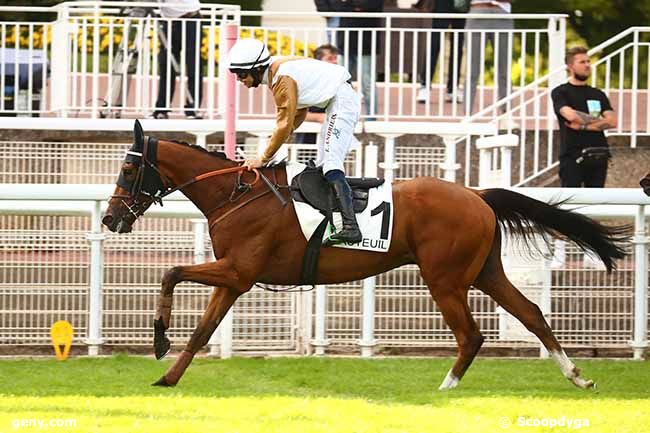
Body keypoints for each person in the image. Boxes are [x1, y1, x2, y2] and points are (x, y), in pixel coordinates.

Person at [228, 38, 363, 245]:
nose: (240, 80)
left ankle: (352, 227)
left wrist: (263, 158)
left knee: (331, 164)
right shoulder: (276, 70)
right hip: (337, 100)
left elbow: (284, 125)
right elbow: (297, 114)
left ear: (256, 69)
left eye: (241, 74)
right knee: (321, 164)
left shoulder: (281, 79)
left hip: (341, 101)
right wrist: (284, 135)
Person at [551, 46, 617, 188]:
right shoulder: (560, 92)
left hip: (599, 154)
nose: (587, 65)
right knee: (571, 201)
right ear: (570, 66)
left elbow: (612, 121)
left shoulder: (597, 94)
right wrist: (599, 122)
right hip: (572, 155)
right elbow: (570, 115)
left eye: (588, 61)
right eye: (582, 62)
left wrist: (582, 126)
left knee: (596, 202)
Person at [151, 0, 204, 119]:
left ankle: (193, 109)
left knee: (193, 65)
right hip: (169, 22)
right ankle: (161, 108)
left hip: (190, 19)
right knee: (166, 65)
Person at [463, 0, 512, 114]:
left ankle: (506, 113)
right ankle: (467, 114)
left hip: (502, 13)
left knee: (504, 69)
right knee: (472, 69)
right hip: (477, 12)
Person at [336, 0, 383, 118]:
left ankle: (372, 117)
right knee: (341, 81)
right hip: (345, 40)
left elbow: (372, 5)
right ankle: (344, 115)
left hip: (367, 41)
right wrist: (354, 5)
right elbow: (337, 6)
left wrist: (348, 3)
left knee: (367, 82)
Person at [413, 0, 466, 104]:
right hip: (442, 4)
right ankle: (425, 86)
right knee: (435, 43)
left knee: (458, 44)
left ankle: (453, 88)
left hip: (461, 4)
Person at [294, 44, 339, 145]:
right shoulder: (307, 82)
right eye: (330, 58)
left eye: (335, 58)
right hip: (308, 135)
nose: (335, 62)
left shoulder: (342, 80)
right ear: (318, 61)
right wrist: (319, 117)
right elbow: (295, 113)